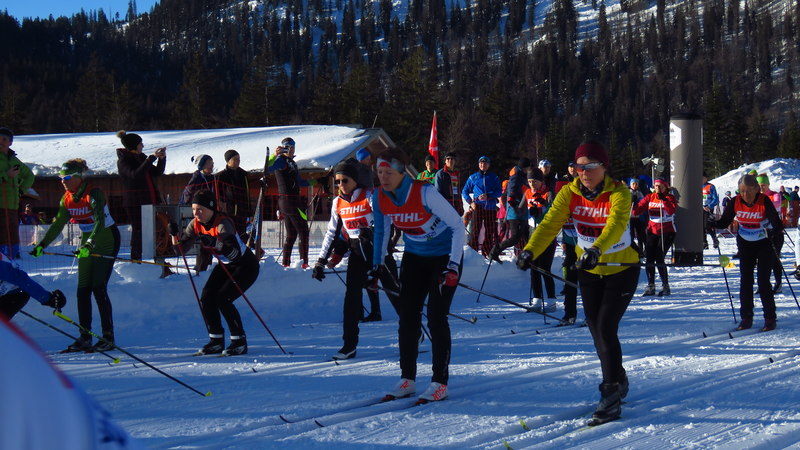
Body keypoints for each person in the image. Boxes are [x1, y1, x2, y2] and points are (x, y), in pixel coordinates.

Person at [517, 141, 639, 426]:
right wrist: (530, 251)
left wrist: (596, 249)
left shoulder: (619, 193)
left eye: (590, 167)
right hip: (589, 269)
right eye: (579, 167)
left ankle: (610, 394)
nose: (584, 173)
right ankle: (618, 376)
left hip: (621, 268)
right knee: (596, 329)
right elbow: (549, 224)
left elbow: (616, 224)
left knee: (606, 327)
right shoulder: (569, 193)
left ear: (604, 167)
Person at [372, 147, 465, 403]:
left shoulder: (424, 192)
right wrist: (377, 264)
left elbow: (458, 226)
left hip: (443, 258)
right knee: (408, 317)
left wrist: (453, 265)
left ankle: (439, 382)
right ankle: (407, 379)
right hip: (414, 257)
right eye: (379, 172)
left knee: (436, 317)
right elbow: (381, 231)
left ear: (401, 172)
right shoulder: (379, 196)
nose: (383, 177)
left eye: (388, 172)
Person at [312, 162, 401, 360]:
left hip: (377, 251)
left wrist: (379, 259)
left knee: (395, 294)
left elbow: (385, 225)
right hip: (357, 254)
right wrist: (320, 261)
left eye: (345, 180)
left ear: (355, 180)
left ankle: (414, 332)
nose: (341, 185)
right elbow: (332, 232)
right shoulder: (338, 203)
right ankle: (349, 345)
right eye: (337, 182)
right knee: (351, 299)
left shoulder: (369, 196)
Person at [30, 159, 121, 353]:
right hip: (88, 239)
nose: (63, 181)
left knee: (98, 288)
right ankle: (85, 336)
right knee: (83, 290)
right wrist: (42, 245)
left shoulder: (93, 193)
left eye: (68, 177)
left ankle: (108, 337)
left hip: (106, 238)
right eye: (61, 178)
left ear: (79, 177)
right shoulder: (66, 198)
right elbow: (58, 224)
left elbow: (99, 221)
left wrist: (89, 244)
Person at [172, 190, 260, 356]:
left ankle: (239, 342)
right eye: (193, 209)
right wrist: (174, 235)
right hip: (226, 265)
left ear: (211, 208)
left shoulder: (222, 224)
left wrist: (216, 243)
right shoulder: (195, 224)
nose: (196, 213)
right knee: (206, 298)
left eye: (200, 209)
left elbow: (234, 254)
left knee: (223, 299)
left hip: (245, 265)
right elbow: (179, 250)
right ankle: (216, 341)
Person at [709, 174, 783, 332]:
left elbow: (777, 224)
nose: (745, 194)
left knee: (763, 281)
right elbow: (724, 221)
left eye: (749, 190)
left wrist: (773, 232)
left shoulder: (764, 200)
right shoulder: (735, 201)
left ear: (756, 189)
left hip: (764, 243)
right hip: (745, 242)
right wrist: (712, 223)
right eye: (742, 191)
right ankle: (746, 317)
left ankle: (770, 318)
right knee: (746, 280)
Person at [116, 130, 166, 261]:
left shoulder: (141, 158)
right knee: (138, 230)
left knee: (152, 230)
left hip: (148, 200)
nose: (142, 146)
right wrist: (151, 158)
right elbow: (135, 174)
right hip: (134, 202)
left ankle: (151, 257)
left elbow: (157, 172)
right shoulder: (123, 160)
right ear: (134, 145)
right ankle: (136, 259)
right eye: (140, 143)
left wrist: (161, 159)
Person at [266, 137, 311, 268]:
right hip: (290, 201)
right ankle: (304, 263)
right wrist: (274, 155)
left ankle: (285, 264)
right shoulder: (281, 160)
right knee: (304, 231)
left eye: (293, 147)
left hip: (290, 201)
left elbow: (300, 182)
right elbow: (268, 168)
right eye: (288, 147)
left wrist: (318, 181)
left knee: (292, 234)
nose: (291, 149)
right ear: (283, 148)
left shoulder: (292, 163)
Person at [632, 177, 677, 296]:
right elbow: (636, 212)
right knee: (649, 258)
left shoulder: (670, 197)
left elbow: (671, 211)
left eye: (660, 186)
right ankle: (651, 285)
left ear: (665, 187)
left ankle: (665, 286)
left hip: (667, 231)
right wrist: (633, 202)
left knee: (659, 257)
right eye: (656, 186)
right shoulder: (650, 197)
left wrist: (664, 200)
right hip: (653, 231)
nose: (657, 188)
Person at [524, 168, 557, 312]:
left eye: (535, 182)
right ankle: (537, 300)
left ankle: (551, 301)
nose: (532, 184)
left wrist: (542, 207)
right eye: (530, 181)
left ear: (541, 181)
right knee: (534, 268)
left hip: (546, 235)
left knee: (545, 268)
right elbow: (523, 210)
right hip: (533, 234)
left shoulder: (547, 193)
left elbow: (554, 211)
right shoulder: (527, 193)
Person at [0, 127, 35, 259]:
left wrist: (21, 190)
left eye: (4, 139)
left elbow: (30, 175)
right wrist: (6, 175)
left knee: (13, 235)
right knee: (2, 235)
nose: (0, 142)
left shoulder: (14, 160)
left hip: (12, 207)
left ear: (10, 142)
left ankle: (12, 259)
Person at [489, 158, 532, 263]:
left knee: (526, 235)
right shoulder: (517, 175)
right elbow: (512, 187)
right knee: (515, 237)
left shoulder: (521, 175)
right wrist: (512, 198)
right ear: (526, 167)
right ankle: (494, 252)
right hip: (515, 209)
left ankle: (530, 258)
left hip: (521, 208)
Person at [0, 251, 66, 319]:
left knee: (22, 294)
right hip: (9, 288)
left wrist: (49, 299)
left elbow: (21, 279)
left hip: (14, 293)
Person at [180, 154, 216, 273]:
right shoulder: (197, 178)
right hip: (198, 214)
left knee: (209, 240)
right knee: (201, 241)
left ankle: (206, 266)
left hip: (210, 214)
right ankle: (201, 268)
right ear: (202, 165)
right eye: (209, 163)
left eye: (212, 163)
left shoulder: (213, 179)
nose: (211, 165)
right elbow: (188, 195)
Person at [461, 156, 502, 257]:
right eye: (481, 163)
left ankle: (487, 252)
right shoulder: (473, 177)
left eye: (485, 163)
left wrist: (488, 195)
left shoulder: (494, 177)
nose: (483, 165)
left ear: (488, 165)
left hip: (490, 208)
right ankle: (472, 252)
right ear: (478, 164)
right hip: (478, 207)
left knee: (490, 231)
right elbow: (464, 191)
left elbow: (499, 192)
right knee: (475, 230)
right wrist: (471, 202)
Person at [214, 150, 252, 239]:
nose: (238, 161)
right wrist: (223, 206)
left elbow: (247, 195)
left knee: (242, 236)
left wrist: (250, 212)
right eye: (235, 159)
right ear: (228, 161)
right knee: (229, 235)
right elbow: (218, 195)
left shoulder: (243, 175)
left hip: (242, 212)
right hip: (227, 212)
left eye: (239, 159)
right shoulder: (220, 176)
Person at [757, 173, 784, 293]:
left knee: (774, 259)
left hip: (775, 232)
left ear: (768, 184)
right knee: (761, 260)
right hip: (760, 233)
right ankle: (762, 284)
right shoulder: (756, 197)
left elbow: (776, 204)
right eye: (759, 185)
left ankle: (778, 283)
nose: (761, 187)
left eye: (763, 185)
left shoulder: (775, 195)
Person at [628, 179, 647, 256]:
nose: (635, 186)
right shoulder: (628, 192)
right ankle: (633, 250)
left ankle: (640, 251)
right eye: (633, 184)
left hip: (638, 217)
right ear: (630, 184)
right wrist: (631, 201)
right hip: (630, 217)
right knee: (631, 235)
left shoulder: (639, 193)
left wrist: (638, 202)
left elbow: (643, 202)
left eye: (636, 184)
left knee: (640, 235)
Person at [702, 173, 720, 249]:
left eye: (703, 178)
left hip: (708, 209)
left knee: (707, 225)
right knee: (701, 226)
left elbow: (715, 199)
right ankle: (704, 242)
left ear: (706, 178)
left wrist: (709, 206)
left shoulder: (710, 186)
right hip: (700, 209)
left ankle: (714, 239)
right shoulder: (697, 186)